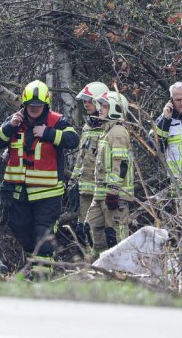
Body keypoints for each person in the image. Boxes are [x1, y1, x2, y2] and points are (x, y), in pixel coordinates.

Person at [0, 80, 79, 276]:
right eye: (31, 106)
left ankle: (43, 278)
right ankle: (36, 267)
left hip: (48, 194)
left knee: (43, 235)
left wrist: (48, 133)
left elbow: (73, 140)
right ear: (24, 105)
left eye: (38, 107)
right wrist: (9, 126)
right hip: (19, 193)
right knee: (21, 231)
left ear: (45, 105)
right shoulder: (15, 120)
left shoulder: (57, 121)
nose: (34, 109)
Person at [85, 91, 134, 250]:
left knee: (118, 236)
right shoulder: (106, 131)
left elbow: (121, 165)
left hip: (114, 196)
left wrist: (113, 191)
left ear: (116, 108)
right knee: (92, 229)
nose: (100, 109)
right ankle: (99, 271)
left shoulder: (118, 132)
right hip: (100, 194)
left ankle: (123, 272)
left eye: (105, 106)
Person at [72, 81, 110, 248]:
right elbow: (81, 158)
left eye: (89, 101)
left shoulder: (110, 128)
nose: (86, 104)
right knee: (83, 231)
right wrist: (73, 183)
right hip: (85, 192)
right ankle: (90, 268)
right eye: (84, 101)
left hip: (102, 193)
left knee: (101, 234)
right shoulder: (88, 126)